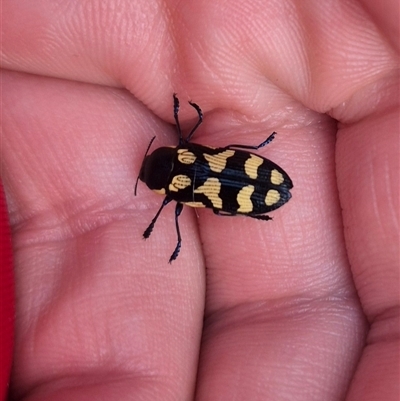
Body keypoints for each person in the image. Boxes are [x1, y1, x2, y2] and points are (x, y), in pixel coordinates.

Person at [1, 0, 398, 399]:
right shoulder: (187, 156)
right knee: (222, 175)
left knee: (221, 189)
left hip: (253, 182)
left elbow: (181, 205)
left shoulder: (180, 191)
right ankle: (257, 159)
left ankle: (255, 167)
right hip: (248, 179)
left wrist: (167, 229)